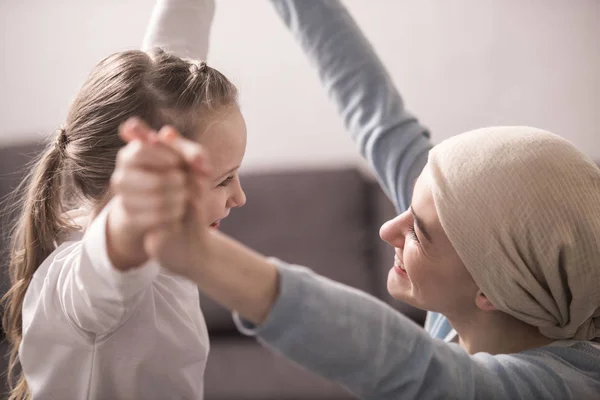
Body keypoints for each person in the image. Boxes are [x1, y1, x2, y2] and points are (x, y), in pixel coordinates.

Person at [134, 0, 600, 399]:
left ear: (490, 291)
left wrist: (198, 253)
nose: (387, 230)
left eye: (418, 231)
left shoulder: (556, 387)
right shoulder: (490, 288)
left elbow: (403, 362)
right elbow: (373, 109)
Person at [1, 1, 247, 398]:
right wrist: (131, 217)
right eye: (223, 181)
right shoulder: (81, 284)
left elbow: (173, 51)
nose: (240, 197)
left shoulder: (159, 235)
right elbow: (110, 260)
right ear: (137, 184)